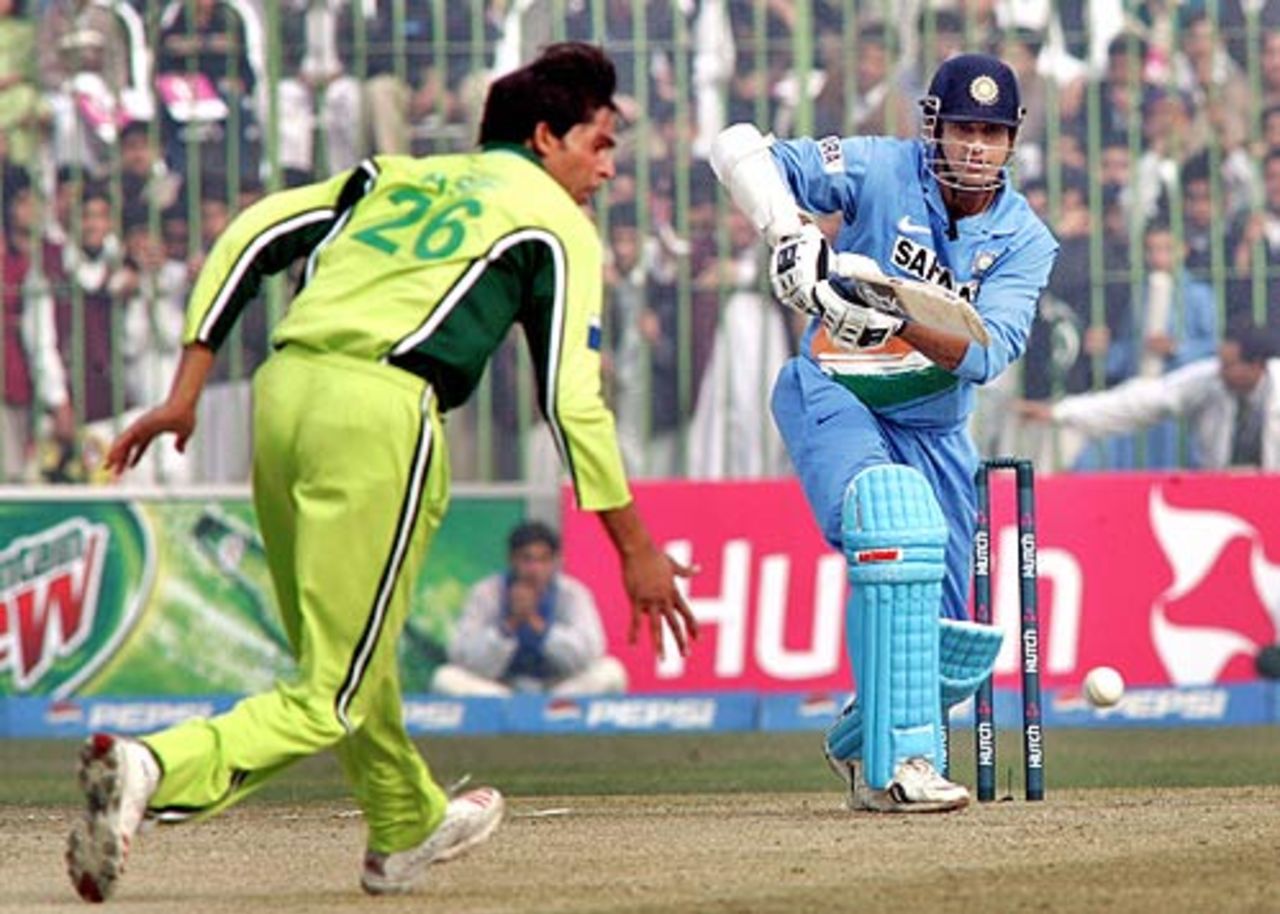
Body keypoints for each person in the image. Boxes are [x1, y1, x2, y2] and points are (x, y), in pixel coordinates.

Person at [72, 42, 698, 902]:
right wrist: (635, 549)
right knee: (330, 687)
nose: (609, 167)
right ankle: (153, 766)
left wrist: (187, 391)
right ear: (546, 137)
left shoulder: (392, 174)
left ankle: (403, 822)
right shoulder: (556, 225)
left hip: (285, 394)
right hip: (382, 412)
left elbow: (251, 232)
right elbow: (571, 403)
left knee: (344, 651)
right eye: (601, 142)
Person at [711, 53, 1058, 812]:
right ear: (933, 126)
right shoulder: (881, 167)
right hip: (836, 393)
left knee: (952, 651)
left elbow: (988, 354)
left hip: (936, 431)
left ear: (1012, 140)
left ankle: (858, 745)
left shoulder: (1025, 240)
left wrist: (894, 313)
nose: (976, 148)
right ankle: (901, 767)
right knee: (891, 523)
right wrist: (791, 235)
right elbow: (736, 146)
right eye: (963, 128)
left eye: (991, 134)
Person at [1019, 322, 1280, 471]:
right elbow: (1140, 402)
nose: (1221, 371)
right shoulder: (1209, 379)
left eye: (1230, 366)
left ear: (1257, 365)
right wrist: (1060, 411)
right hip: (1224, 493)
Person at [432, 521, 627, 696]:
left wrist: (538, 625)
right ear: (512, 560)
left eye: (543, 560)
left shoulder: (572, 594)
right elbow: (463, 657)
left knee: (611, 672)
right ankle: (511, 712)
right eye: (526, 559)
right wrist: (509, 625)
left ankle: (550, 712)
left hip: (557, 691)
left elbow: (588, 655)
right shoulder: (486, 593)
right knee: (445, 678)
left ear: (555, 562)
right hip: (501, 691)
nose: (535, 569)